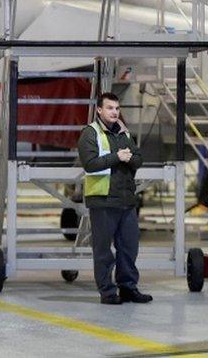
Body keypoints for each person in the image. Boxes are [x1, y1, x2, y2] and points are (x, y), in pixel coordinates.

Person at [78, 92, 152, 305]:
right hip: (102, 200)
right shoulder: (90, 134)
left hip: (126, 200)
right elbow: (90, 164)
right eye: (110, 108)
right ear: (99, 110)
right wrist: (117, 157)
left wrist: (129, 159)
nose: (114, 112)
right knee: (103, 251)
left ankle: (128, 288)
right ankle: (108, 292)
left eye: (117, 109)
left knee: (129, 247)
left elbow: (138, 159)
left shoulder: (124, 134)